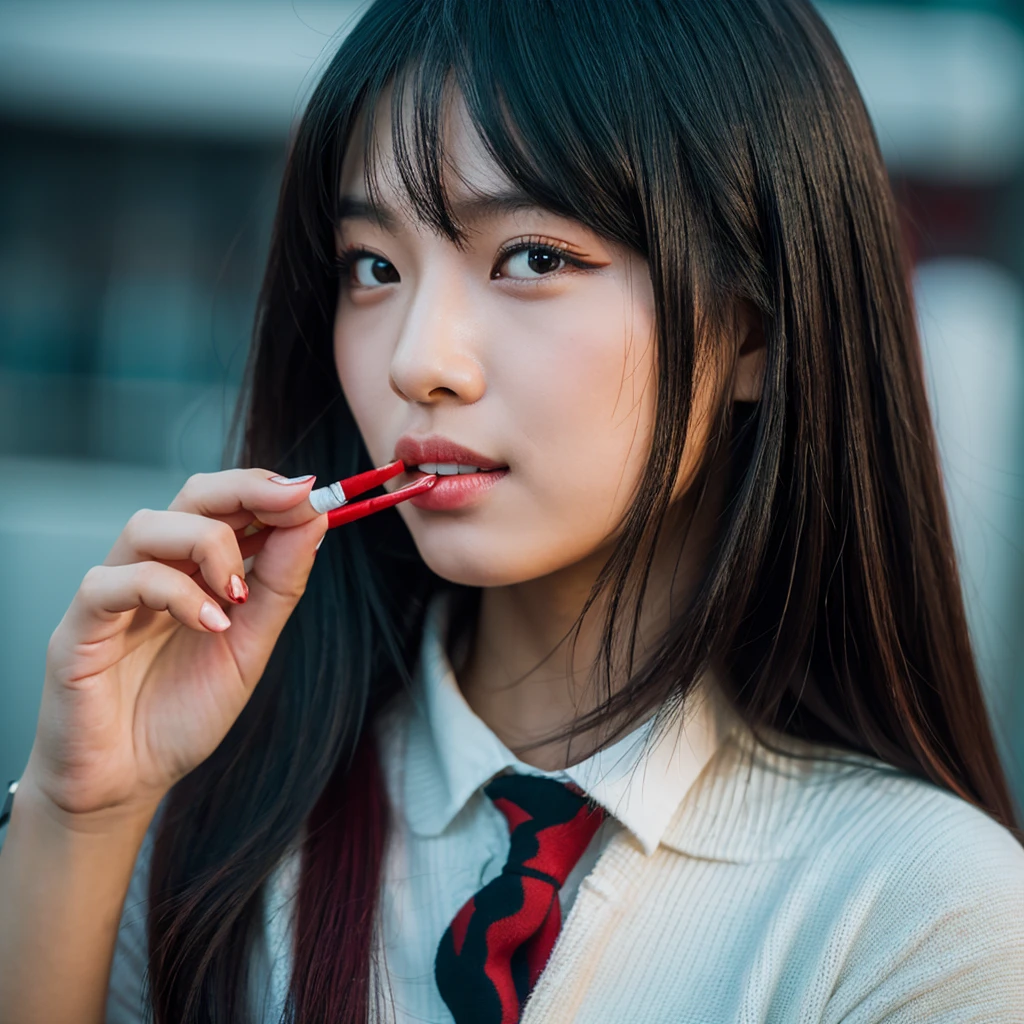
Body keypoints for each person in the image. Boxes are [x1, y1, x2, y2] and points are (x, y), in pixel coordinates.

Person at [1, 0, 1022, 1021]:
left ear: (751, 330)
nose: (416, 359)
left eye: (532, 257)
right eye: (374, 266)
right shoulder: (204, 822)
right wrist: (78, 814)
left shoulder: (922, 913)